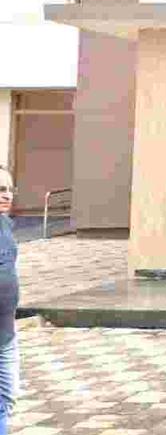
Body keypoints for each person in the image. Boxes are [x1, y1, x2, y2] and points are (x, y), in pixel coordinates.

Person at [0, 167, 20, 434]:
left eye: (8, 189)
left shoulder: (5, 224)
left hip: (6, 334)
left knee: (6, 398)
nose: (5, 195)